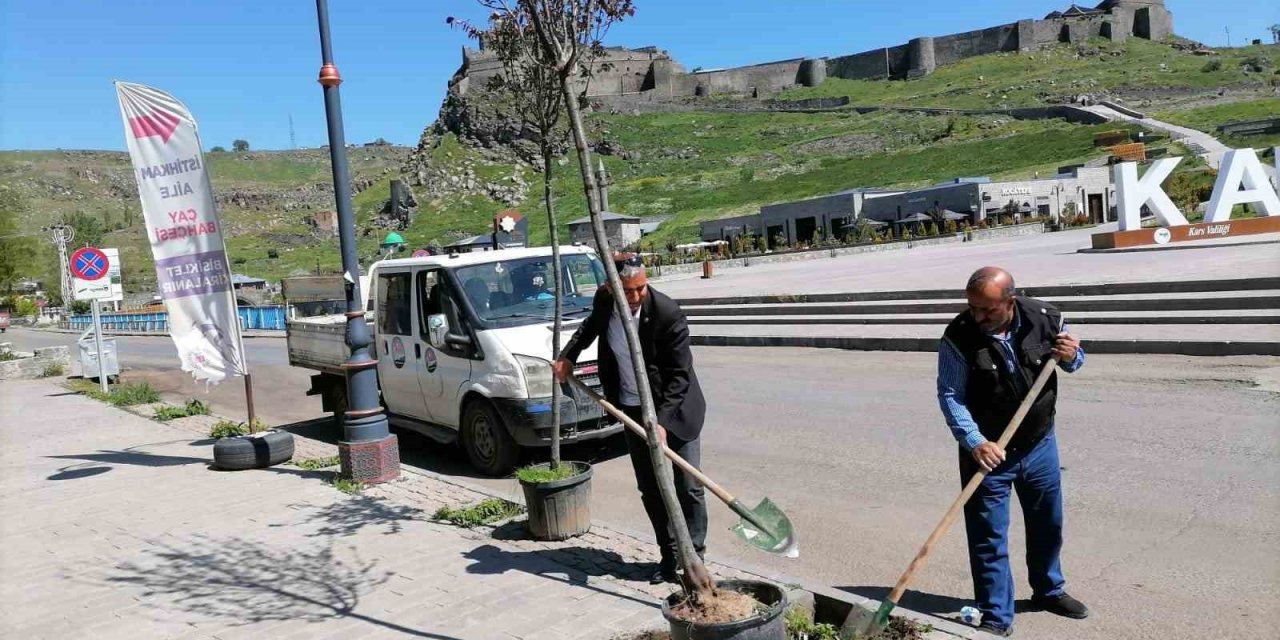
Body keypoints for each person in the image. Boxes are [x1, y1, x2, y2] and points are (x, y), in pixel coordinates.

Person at [936, 266, 1089, 637]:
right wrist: (975, 442)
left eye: (987, 310)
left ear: (1010, 301)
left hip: (1039, 443)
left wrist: (1073, 356)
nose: (978, 317)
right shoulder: (959, 336)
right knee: (988, 537)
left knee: (1047, 524)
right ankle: (995, 616)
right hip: (988, 453)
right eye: (973, 308)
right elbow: (951, 395)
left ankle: (1048, 590)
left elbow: (1073, 361)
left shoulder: (1046, 318)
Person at [553, 253, 707, 585]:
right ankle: (668, 557)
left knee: (688, 486)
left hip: (675, 411)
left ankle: (694, 557)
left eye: (640, 289)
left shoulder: (667, 313)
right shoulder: (606, 301)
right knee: (650, 488)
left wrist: (662, 422)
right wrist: (568, 357)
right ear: (611, 287)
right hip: (631, 408)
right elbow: (588, 328)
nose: (635, 297)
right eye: (628, 291)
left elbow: (680, 376)